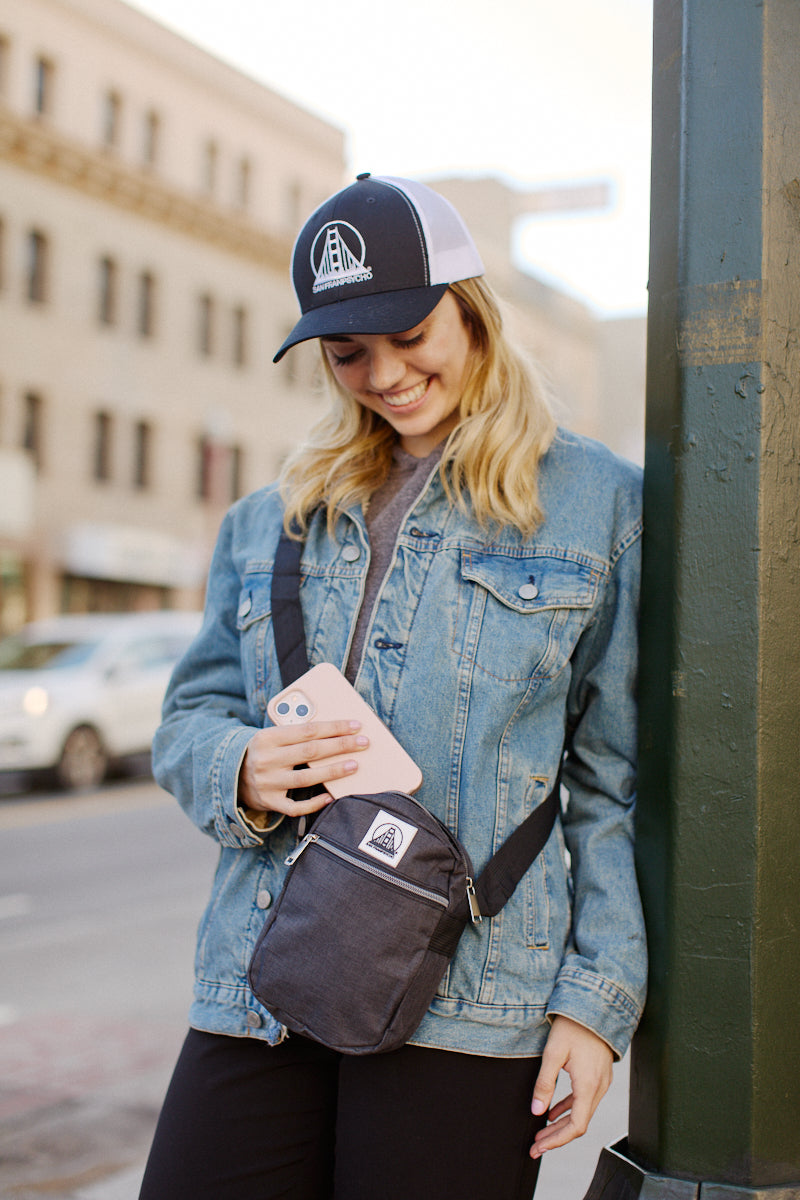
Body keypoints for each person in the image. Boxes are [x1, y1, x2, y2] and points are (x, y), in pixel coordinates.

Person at [139, 174, 647, 1200]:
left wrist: (595, 1004)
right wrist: (237, 764)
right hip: (260, 974)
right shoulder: (270, 514)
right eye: (347, 351)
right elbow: (189, 712)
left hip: (472, 992)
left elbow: (613, 784)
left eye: (408, 333)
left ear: (470, 309)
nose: (384, 373)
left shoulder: (597, 505)